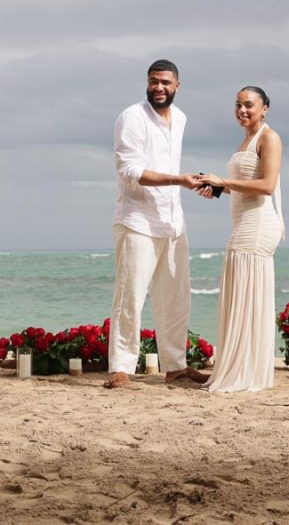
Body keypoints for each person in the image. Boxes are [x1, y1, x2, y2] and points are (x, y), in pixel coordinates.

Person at [105, 59, 208, 389]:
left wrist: (192, 184)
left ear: (178, 85)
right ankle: (121, 368)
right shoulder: (131, 117)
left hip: (174, 222)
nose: (158, 87)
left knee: (176, 299)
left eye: (165, 82)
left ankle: (176, 366)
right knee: (130, 297)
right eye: (153, 81)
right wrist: (179, 179)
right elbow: (129, 172)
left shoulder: (180, 118)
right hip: (137, 222)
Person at [194, 86, 285, 392]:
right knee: (240, 293)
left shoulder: (269, 138)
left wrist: (224, 180)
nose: (241, 110)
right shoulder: (245, 140)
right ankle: (240, 365)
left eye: (248, 105)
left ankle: (247, 371)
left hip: (258, 224)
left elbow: (268, 185)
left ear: (265, 108)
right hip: (242, 221)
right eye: (237, 105)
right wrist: (218, 188)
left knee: (248, 292)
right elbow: (244, 186)